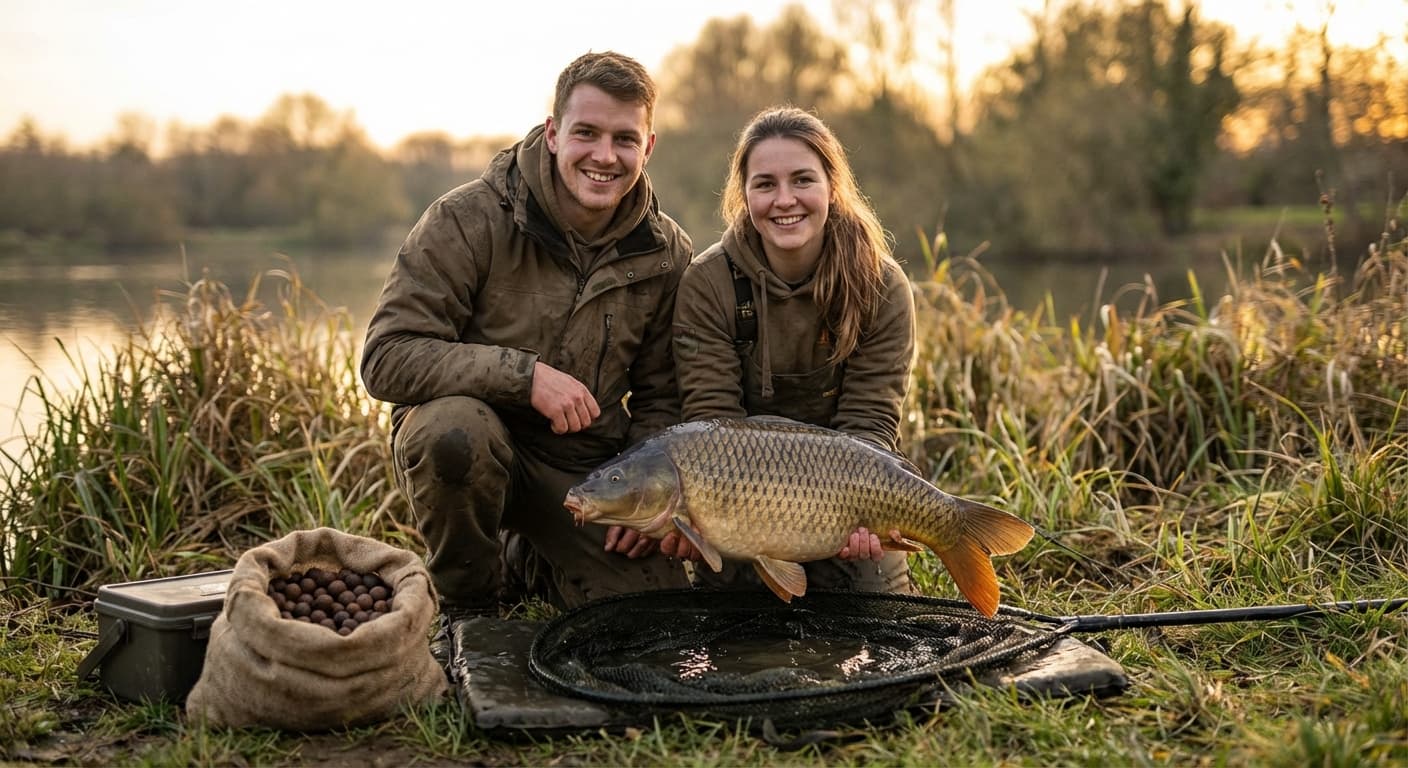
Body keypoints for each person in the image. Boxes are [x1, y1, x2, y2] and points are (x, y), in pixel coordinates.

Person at [360, 51, 694, 630]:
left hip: (586, 472)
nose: (604, 156)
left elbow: (664, 396)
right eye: (586, 133)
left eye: (624, 139)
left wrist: (645, 497)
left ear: (649, 146)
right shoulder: (465, 219)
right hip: (473, 451)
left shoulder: (667, 252)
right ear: (553, 132)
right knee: (453, 432)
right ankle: (468, 603)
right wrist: (524, 376)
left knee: (651, 618)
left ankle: (530, 558)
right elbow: (386, 357)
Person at [668, 106, 917, 594]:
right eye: (765, 184)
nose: (785, 200)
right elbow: (710, 425)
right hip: (738, 500)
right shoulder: (708, 283)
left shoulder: (882, 285)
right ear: (744, 196)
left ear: (832, 186)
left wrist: (861, 515)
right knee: (733, 611)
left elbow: (869, 427)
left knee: (871, 607)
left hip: (849, 495)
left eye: (802, 180)